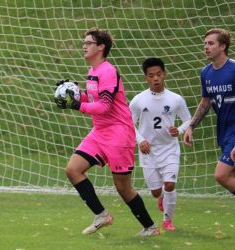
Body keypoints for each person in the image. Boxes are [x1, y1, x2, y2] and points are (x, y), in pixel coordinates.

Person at [55, 28, 159, 236]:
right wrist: (73, 93)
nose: (84, 46)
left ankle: (150, 227)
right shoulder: (93, 72)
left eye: (88, 43)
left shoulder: (107, 71)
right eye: (83, 42)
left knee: (123, 188)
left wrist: (76, 105)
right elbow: (92, 100)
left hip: (119, 134)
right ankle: (102, 215)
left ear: (101, 47)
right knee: (73, 170)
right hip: (100, 131)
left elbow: (104, 106)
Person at [129, 58, 191, 231]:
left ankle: (167, 220)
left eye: (158, 74)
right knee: (156, 191)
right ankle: (161, 197)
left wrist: (178, 130)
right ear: (146, 78)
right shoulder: (138, 100)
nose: (155, 78)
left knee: (170, 184)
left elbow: (188, 120)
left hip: (170, 149)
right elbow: (128, 124)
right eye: (151, 76)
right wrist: (140, 140)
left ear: (164, 75)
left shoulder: (176, 99)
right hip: (148, 151)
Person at [183, 28, 235, 198]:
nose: (206, 47)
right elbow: (205, 103)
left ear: (222, 46)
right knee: (234, 176)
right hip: (224, 130)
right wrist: (191, 127)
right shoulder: (205, 73)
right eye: (205, 43)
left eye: (211, 43)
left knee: (221, 175)